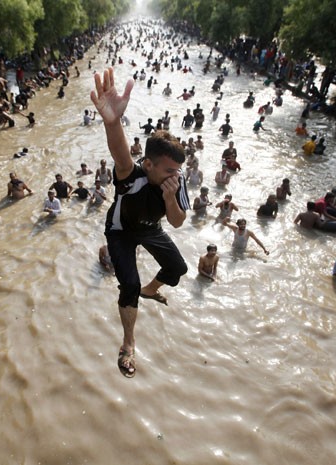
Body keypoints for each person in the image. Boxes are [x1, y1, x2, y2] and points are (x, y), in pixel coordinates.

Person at [90, 68, 190, 378]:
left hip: (150, 227)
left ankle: (151, 289)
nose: (175, 175)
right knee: (128, 285)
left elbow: (177, 222)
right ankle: (129, 341)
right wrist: (113, 121)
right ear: (148, 165)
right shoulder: (131, 176)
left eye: (178, 170)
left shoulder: (178, 181)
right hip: (120, 230)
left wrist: (171, 197)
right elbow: (119, 153)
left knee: (178, 268)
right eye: (168, 170)